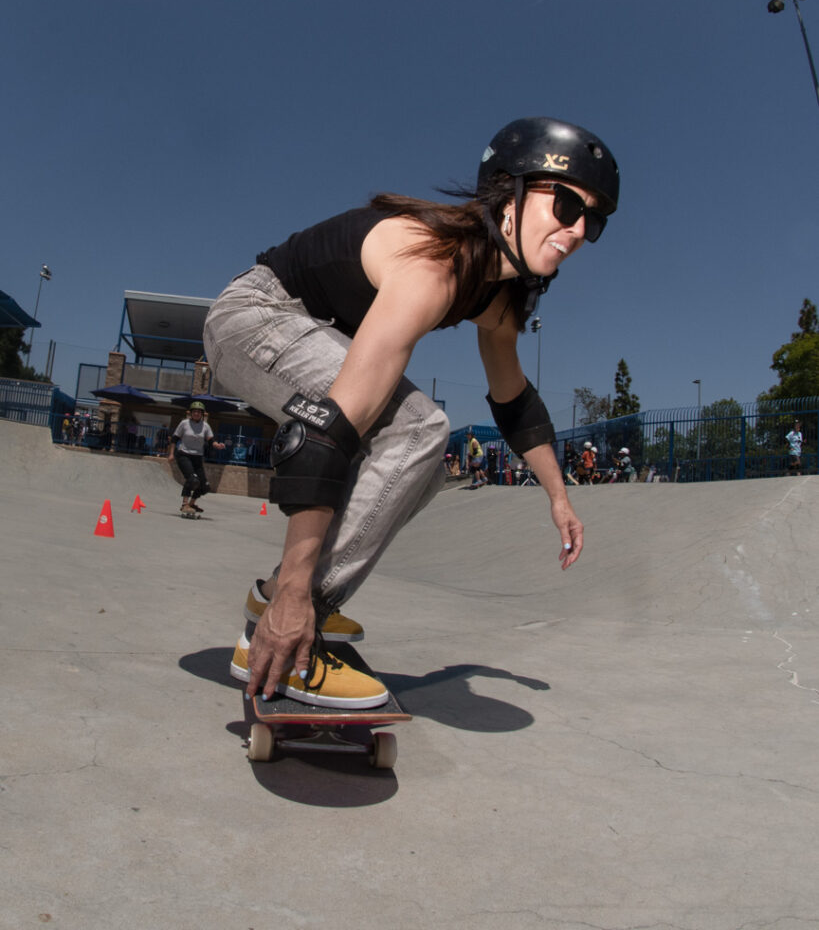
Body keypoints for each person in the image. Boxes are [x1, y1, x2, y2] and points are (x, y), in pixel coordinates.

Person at [202, 114, 619, 709]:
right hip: (253, 317)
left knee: (426, 464)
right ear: (511, 191)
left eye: (594, 221)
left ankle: (275, 598)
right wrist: (296, 598)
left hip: (308, 329)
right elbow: (327, 431)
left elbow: (513, 398)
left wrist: (559, 496)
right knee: (418, 427)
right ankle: (287, 620)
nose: (578, 232)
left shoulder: (498, 298)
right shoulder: (431, 266)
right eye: (568, 209)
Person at [168, 402, 225, 515]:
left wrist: (217, 445)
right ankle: (184, 505)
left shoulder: (205, 426)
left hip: (197, 457)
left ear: (202, 414)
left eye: (199, 412)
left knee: (205, 486)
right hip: (184, 454)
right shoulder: (184, 423)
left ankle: (192, 504)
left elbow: (210, 440)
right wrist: (171, 454)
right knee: (192, 479)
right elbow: (174, 439)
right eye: (194, 411)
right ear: (191, 413)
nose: (196, 413)